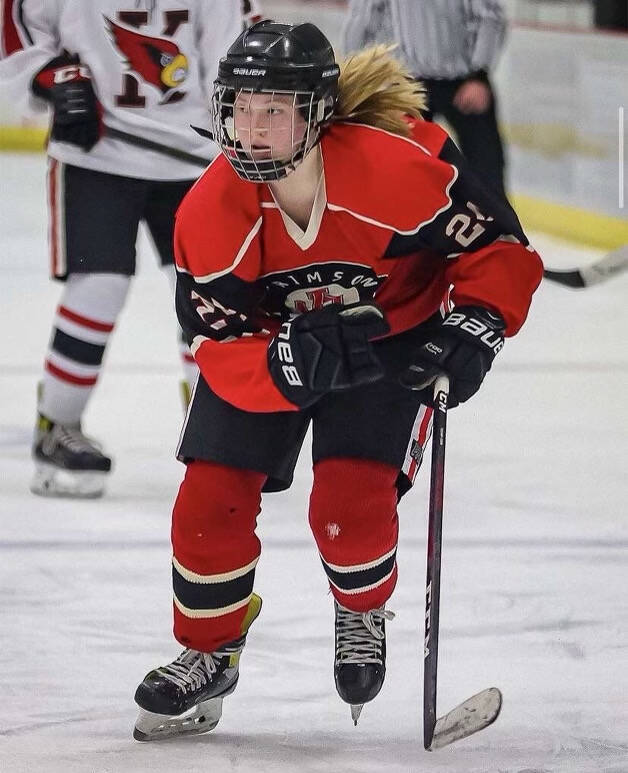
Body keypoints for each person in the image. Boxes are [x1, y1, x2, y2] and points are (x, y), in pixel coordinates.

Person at [132, 21, 543, 741]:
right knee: (207, 503)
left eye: (274, 112)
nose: (251, 131)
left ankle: (360, 611)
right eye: (240, 109)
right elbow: (212, 340)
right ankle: (208, 649)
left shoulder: (400, 167)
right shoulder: (209, 209)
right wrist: (282, 362)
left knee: (349, 510)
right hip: (272, 352)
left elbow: (497, 245)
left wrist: (478, 320)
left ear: (317, 114)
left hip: (390, 342)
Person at [0, 0, 260, 498]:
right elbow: (17, 25)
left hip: (195, 159)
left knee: (210, 294)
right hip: (97, 155)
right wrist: (47, 75)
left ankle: (213, 426)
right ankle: (58, 425)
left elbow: (236, 46)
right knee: (98, 287)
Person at [343, 0, 508, 199]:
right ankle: (405, 224)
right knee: (399, 167)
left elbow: (491, 16)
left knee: (486, 168)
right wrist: (358, 77)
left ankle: (498, 226)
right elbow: (363, 18)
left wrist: (480, 76)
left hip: (465, 81)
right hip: (406, 83)